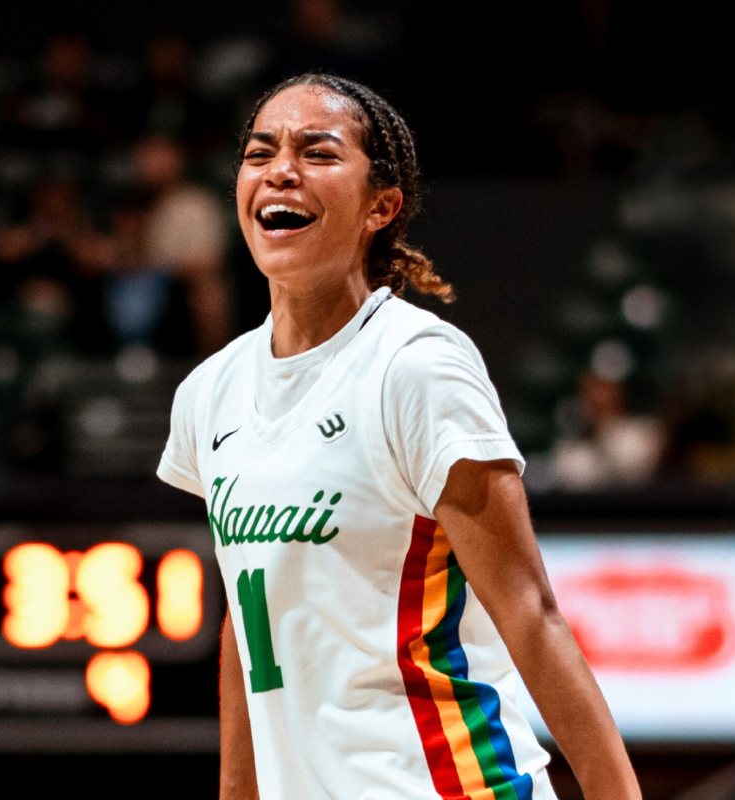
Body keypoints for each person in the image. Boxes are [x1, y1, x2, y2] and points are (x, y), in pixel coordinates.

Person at [157, 73, 640, 800]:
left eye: (317, 153)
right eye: (260, 153)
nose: (280, 170)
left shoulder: (416, 367)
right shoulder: (209, 392)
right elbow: (250, 622)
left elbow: (531, 614)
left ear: (380, 206)